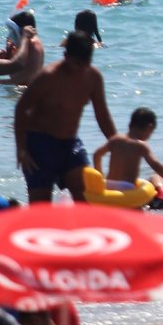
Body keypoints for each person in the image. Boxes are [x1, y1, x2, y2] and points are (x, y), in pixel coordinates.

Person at [14, 31, 116, 202]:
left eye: (86, 63)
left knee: (85, 199)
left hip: (70, 145)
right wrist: (21, 149)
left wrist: (116, 144)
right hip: (40, 145)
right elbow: (21, 109)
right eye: (77, 63)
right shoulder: (48, 77)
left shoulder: (93, 77)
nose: (82, 68)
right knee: (40, 208)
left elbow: (103, 115)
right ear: (66, 55)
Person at [92, 107, 163, 204]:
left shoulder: (116, 139)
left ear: (130, 124)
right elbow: (155, 164)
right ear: (149, 128)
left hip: (108, 184)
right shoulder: (140, 145)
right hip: (126, 187)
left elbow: (96, 155)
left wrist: (100, 178)